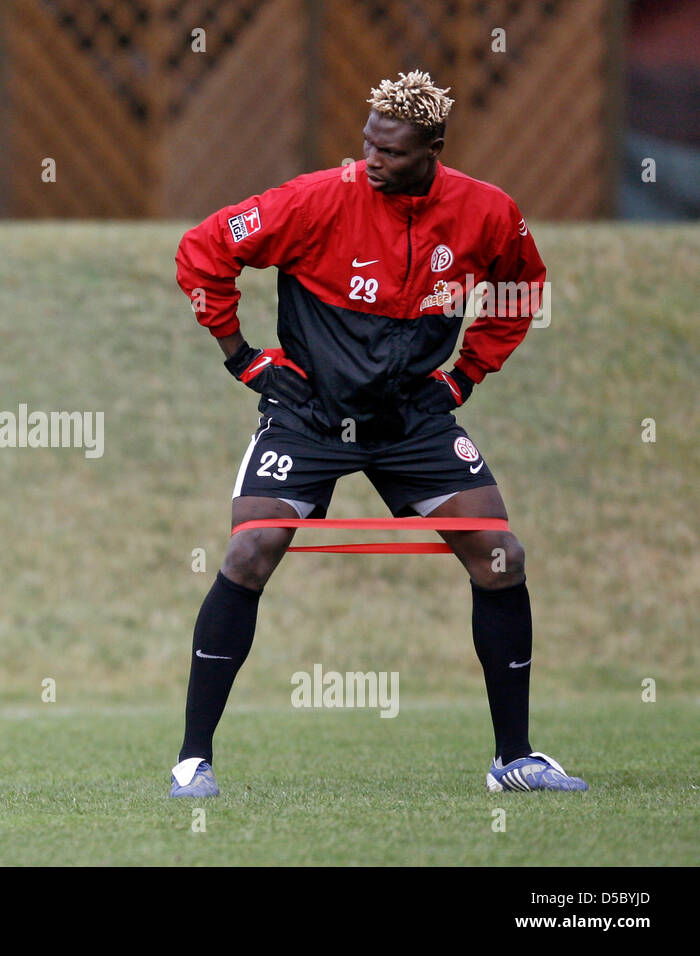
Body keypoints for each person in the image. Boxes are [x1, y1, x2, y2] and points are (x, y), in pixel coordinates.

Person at [169, 71, 587, 797]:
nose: (372, 160)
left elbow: (522, 289)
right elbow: (203, 250)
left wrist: (464, 376)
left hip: (412, 423)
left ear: (433, 149)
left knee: (500, 557)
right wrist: (243, 358)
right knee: (249, 551)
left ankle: (514, 759)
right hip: (308, 417)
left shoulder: (488, 213)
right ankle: (192, 762)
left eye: (391, 151)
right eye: (367, 143)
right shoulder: (315, 199)